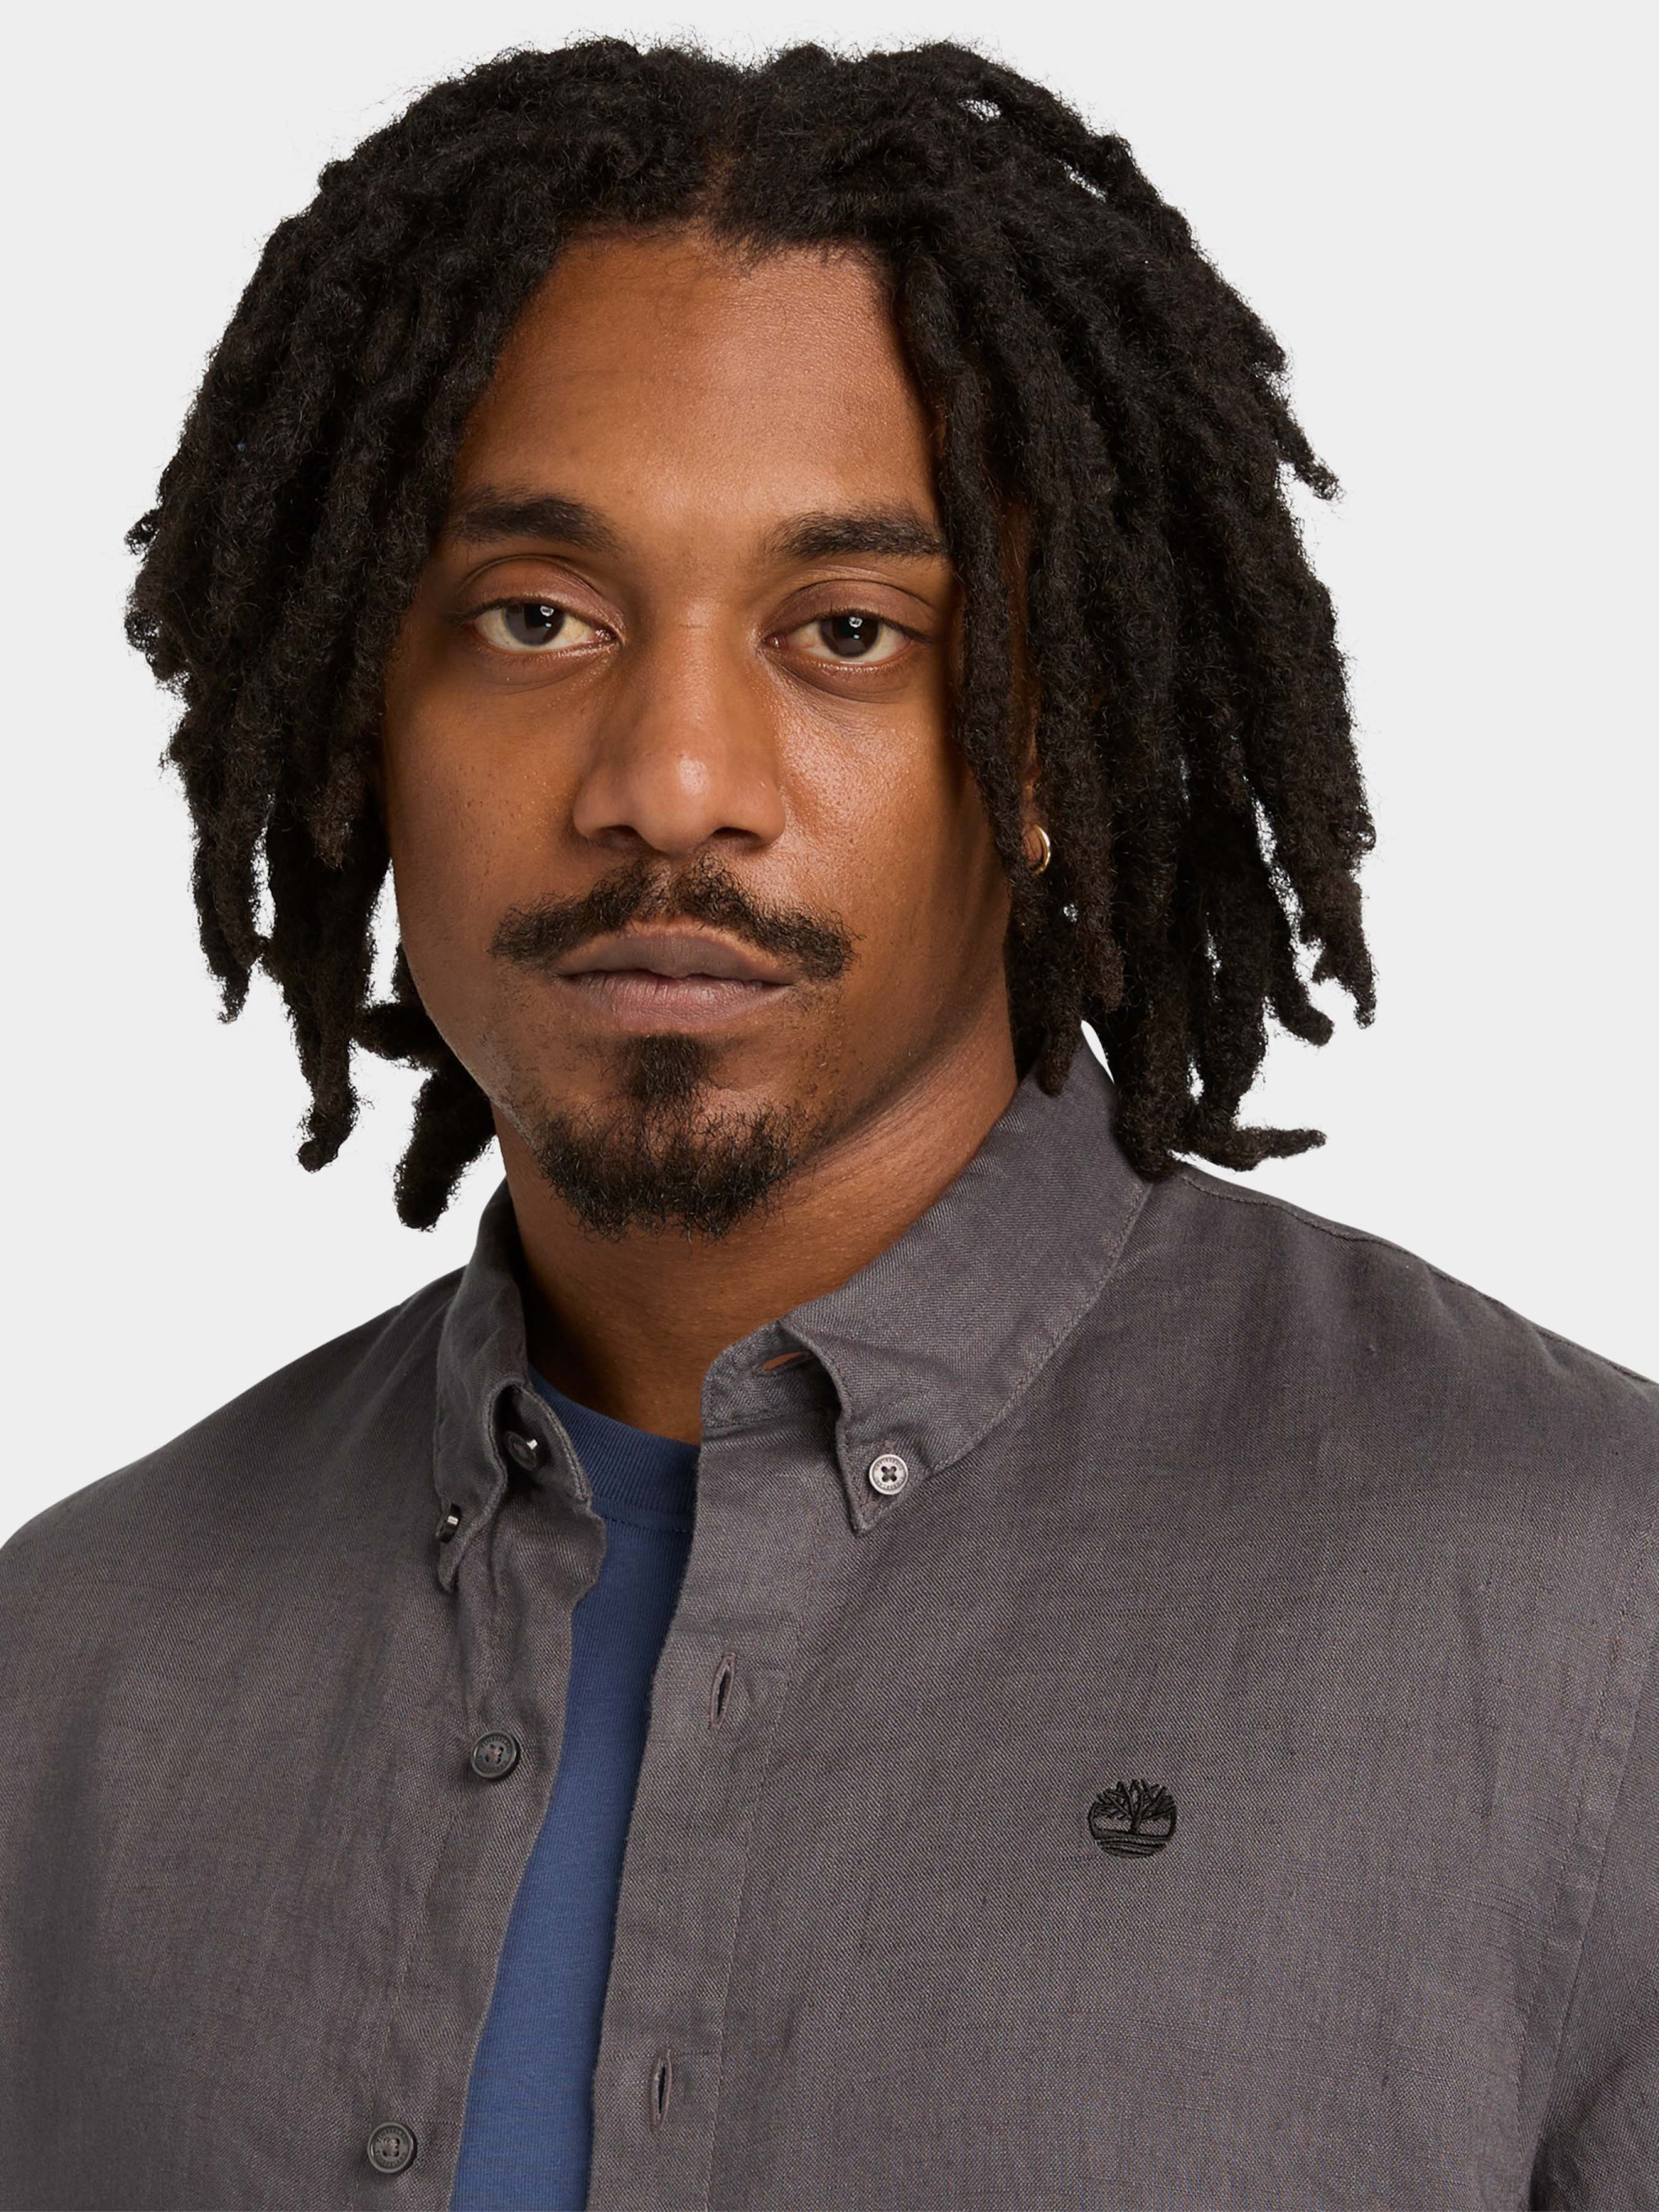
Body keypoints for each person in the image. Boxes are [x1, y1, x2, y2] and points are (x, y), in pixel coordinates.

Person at [2, 36, 1653, 2212]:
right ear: (353, 718)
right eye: (536, 617)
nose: (672, 782)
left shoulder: (1589, 1612)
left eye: (847, 630)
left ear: (1047, 733)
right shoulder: (71, 1674)